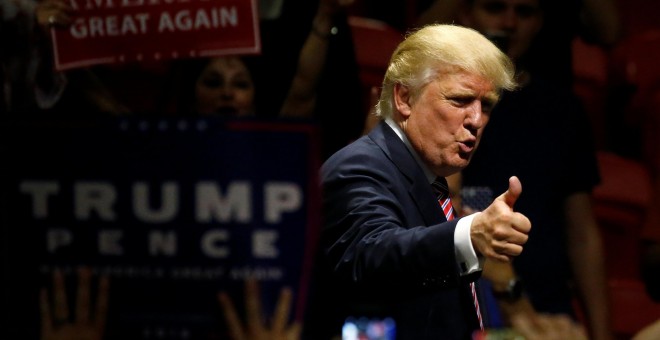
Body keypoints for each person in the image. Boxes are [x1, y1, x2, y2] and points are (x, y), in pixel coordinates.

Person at [302, 23, 531, 340]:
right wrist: (469, 233)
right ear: (405, 98)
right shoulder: (359, 167)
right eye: (460, 100)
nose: (477, 120)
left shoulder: (428, 179)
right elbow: (374, 253)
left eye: (486, 105)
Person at [455, 1, 614, 339]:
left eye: (524, 12)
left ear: (540, 22)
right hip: (464, 307)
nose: (509, 23)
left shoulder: (562, 110)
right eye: (495, 8)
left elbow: (582, 234)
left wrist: (602, 334)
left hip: (548, 315)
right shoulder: (441, 103)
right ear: (466, 13)